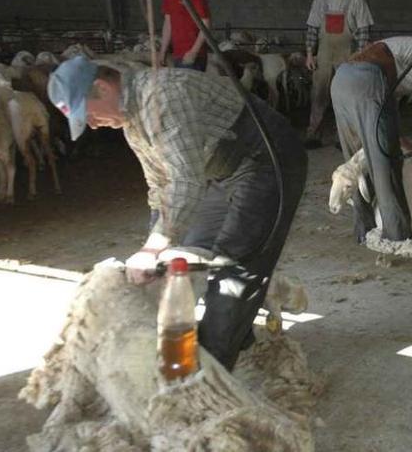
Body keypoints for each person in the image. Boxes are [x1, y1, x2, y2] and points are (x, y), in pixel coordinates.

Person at [48, 56, 308, 371]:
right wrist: (155, 247)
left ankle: (207, 373)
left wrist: (154, 246)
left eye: (88, 114)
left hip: (266, 157)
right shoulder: (132, 123)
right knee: (184, 258)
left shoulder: (162, 96)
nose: (91, 124)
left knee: (234, 263)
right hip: (220, 168)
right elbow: (160, 186)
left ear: (102, 88)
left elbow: (186, 180)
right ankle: (234, 333)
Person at [330, 37, 412, 243]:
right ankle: (397, 235)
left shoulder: (408, 47)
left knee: (355, 163)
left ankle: (364, 230)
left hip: (341, 79)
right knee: (385, 164)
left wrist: (397, 140)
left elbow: (387, 119)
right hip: (369, 81)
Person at [304, 0, 375, 149]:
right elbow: (312, 29)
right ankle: (313, 133)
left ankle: (342, 137)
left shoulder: (356, 0)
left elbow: (363, 32)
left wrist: (360, 57)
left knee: (345, 96)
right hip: (324, 54)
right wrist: (310, 54)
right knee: (318, 94)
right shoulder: (320, 0)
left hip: (348, 56)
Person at [157, 0, 211, 71]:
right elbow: (168, 24)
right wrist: (163, 51)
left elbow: (206, 24)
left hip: (194, 56)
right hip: (177, 53)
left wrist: (194, 51)